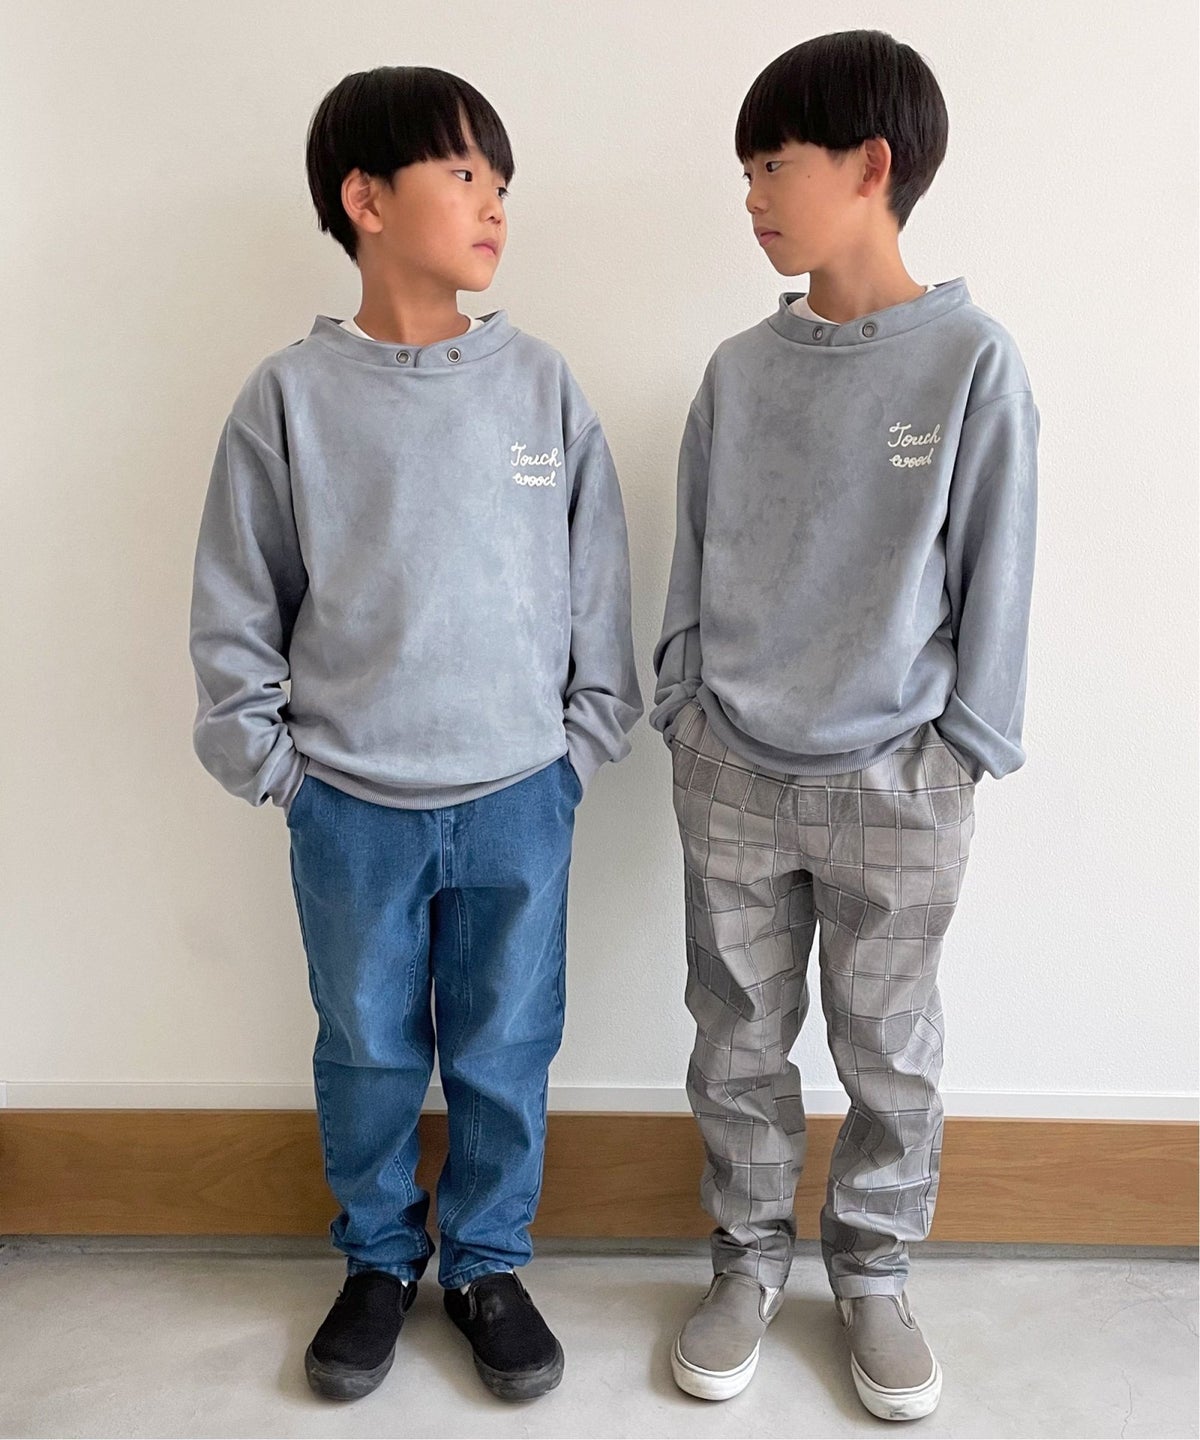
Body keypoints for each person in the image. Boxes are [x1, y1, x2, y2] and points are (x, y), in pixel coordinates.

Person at [189, 65, 641, 1404]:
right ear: (366, 199)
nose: (494, 204)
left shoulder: (541, 385)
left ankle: (488, 1262)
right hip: (348, 804)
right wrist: (280, 772)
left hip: (520, 796)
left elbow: (598, 583)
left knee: (507, 1047)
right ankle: (379, 1259)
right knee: (369, 1049)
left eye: (502, 183)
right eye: (463, 174)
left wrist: (579, 748)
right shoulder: (290, 397)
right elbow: (238, 600)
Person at [651, 29, 1039, 1421]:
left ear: (872, 166)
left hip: (902, 780)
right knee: (736, 1040)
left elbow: (999, 574)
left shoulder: (972, 362)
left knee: (891, 1049)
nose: (752, 193)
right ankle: (745, 1261)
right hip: (733, 771)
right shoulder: (738, 370)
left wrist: (963, 749)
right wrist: (681, 702)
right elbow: (694, 551)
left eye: (775, 163)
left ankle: (873, 1272)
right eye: (746, 167)